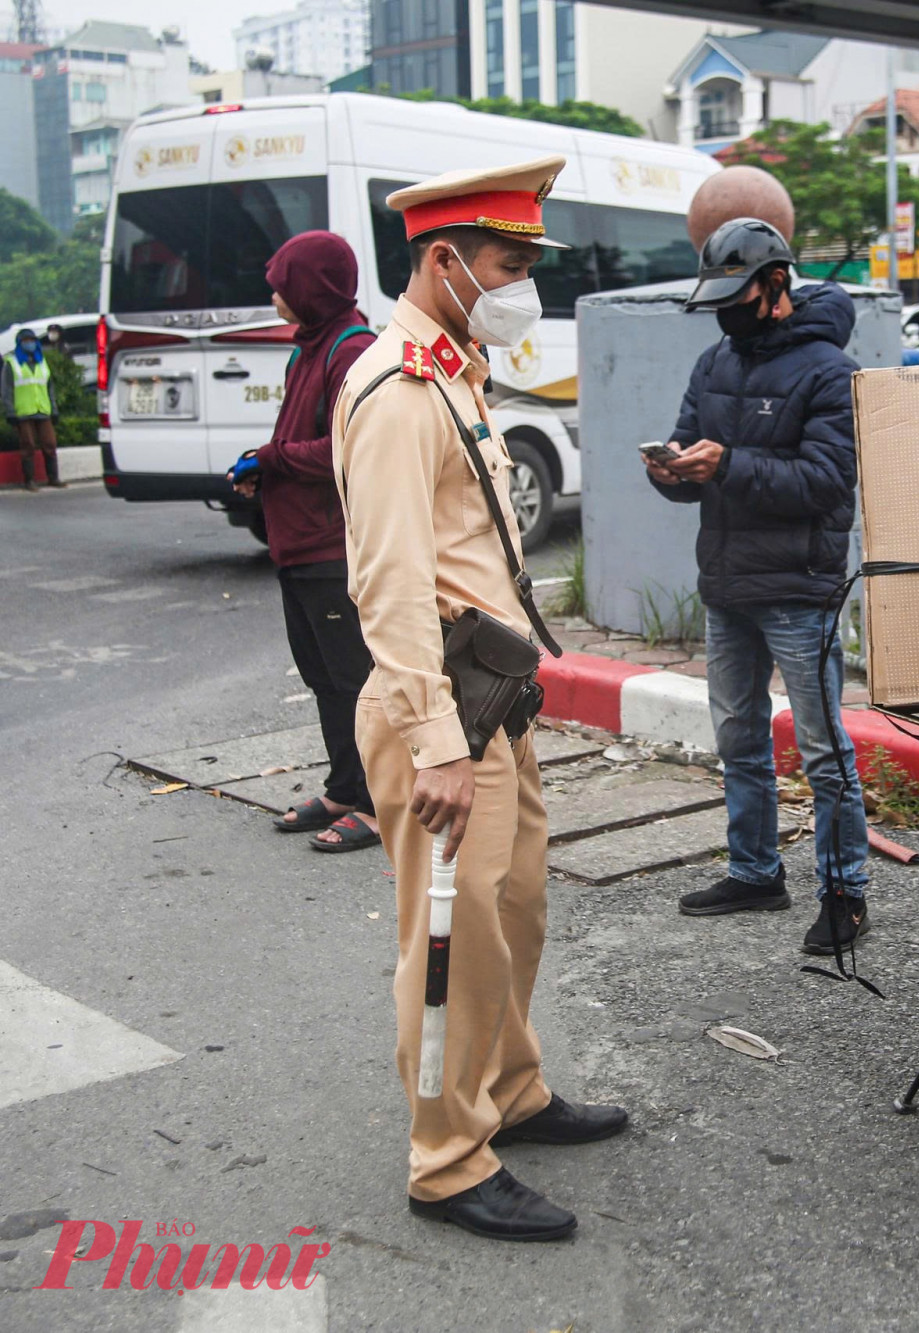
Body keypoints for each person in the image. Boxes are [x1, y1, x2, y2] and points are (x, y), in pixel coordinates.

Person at [331, 155, 625, 1243]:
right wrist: (435, 744)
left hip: (490, 697)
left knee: (512, 915)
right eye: (509, 264)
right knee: (449, 940)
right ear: (444, 260)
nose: (524, 287)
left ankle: (509, 1091)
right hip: (441, 714)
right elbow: (392, 581)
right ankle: (447, 1157)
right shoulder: (398, 387)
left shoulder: (454, 368)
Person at [648, 217, 872, 957]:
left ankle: (846, 892)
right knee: (738, 738)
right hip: (726, 583)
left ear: (776, 283)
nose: (726, 310)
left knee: (821, 749)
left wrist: (728, 464)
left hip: (800, 591)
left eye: (736, 294)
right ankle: (754, 870)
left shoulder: (829, 372)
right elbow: (691, 454)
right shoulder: (714, 362)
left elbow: (829, 481)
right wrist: (672, 473)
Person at [227, 232, 381, 852]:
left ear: (313, 287)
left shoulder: (353, 350)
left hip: (333, 545)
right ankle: (344, 788)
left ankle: (375, 805)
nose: (274, 293)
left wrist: (273, 458)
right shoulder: (308, 348)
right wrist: (264, 469)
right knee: (322, 676)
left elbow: (351, 449)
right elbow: (299, 440)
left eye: (285, 282)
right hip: (297, 543)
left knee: (356, 679)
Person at [4, 327, 59, 489]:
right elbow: (7, 390)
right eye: (26, 341)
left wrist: (54, 409)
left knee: (50, 444)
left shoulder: (42, 362)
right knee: (27, 446)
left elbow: (50, 388)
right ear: (20, 344)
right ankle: (30, 480)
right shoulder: (12, 363)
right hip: (23, 412)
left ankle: (53, 478)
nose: (30, 344)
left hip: (43, 410)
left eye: (32, 341)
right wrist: (10, 411)